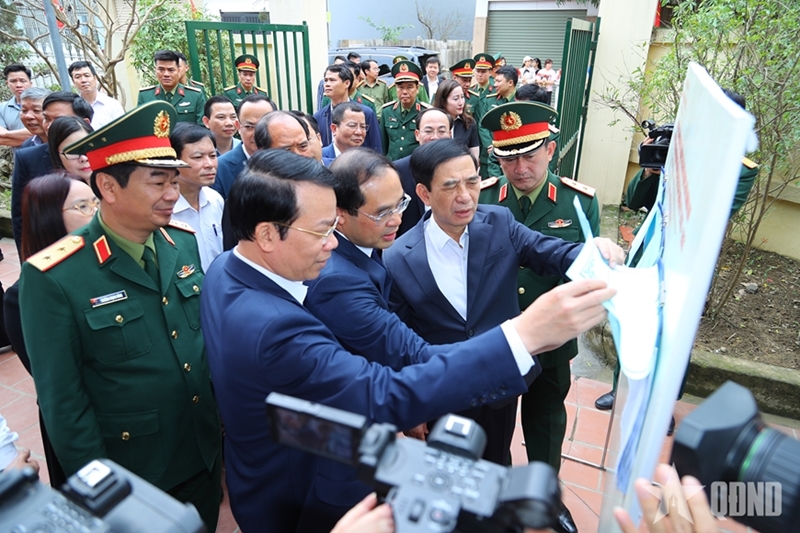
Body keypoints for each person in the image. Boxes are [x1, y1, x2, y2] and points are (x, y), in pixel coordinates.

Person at [201, 147, 616, 533]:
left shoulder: (226, 269)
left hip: (291, 445)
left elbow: (288, 399)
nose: (332, 242)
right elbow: (383, 391)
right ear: (267, 235)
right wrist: (525, 334)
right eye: (322, 230)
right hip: (302, 496)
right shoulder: (278, 325)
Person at [384, 138, 621, 533]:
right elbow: (401, 337)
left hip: (499, 384)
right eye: (450, 186)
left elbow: (551, 251)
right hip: (442, 389)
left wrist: (594, 254)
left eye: (472, 182)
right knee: (450, 475)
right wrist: (413, 408)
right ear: (423, 193)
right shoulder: (397, 256)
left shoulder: (499, 224)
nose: (465, 196)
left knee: (496, 463)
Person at [19, 101, 222, 531]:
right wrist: (101, 490)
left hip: (201, 453)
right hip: (132, 472)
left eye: (174, 181)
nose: (172, 194)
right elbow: (63, 402)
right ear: (108, 187)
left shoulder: (181, 243)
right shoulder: (55, 275)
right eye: (157, 183)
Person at [478, 103, 599, 501]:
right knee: (494, 422)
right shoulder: (483, 198)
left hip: (552, 339)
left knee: (546, 420)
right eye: (509, 159)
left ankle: (544, 497)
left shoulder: (578, 202)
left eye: (529, 156)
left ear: (550, 150)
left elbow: (583, 273)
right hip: (497, 336)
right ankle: (495, 493)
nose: (520, 169)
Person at [8, 172, 98, 487]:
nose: (96, 213)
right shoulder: (24, 294)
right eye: (83, 206)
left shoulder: (107, 266)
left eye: (97, 202)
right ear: (48, 218)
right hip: (87, 425)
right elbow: (57, 384)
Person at [11, 91, 93, 252]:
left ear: (84, 122)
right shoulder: (28, 156)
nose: (49, 125)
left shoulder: (108, 157)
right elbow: (22, 218)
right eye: (46, 118)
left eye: (59, 119)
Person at [170, 123, 224, 271]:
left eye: (213, 156)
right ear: (175, 161)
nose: (209, 164)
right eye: (198, 157)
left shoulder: (215, 200)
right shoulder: (164, 209)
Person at [392, 107, 452, 237]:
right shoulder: (398, 170)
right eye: (428, 131)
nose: (435, 137)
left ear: (450, 134)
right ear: (417, 134)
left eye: (442, 131)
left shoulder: (459, 169)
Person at [211, 93, 275, 199]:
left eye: (264, 126)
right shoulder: (220, 169)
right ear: (238, 127)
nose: (257, 134)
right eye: (249, 126)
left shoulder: (288, 160)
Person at [314, 64, 382, 152]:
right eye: (326, 80)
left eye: (332, 80)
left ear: (347, 83)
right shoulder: (319, 116)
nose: (327, 84)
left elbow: (376, 148)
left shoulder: (365, 113)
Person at [379, 60, 431, 161]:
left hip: (415, 165)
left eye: (410, 87)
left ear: (417, 88)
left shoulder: (425, 112)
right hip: (392, 165)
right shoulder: (387, 111)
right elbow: (383, 145)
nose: (404, 92)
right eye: (400, 87)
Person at [138, 50, 206, 124]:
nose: (166, 74)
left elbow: (202, 127)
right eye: (161, 69)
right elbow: (141, 125)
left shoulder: (195, 96)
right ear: (155, 70)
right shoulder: (145, 96)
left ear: (178, 71)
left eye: (171, 70)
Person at [476, 65, 518, 179]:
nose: (495, 84)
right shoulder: (490, 100)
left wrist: (500, 147)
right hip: (488, 155)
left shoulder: (520, 101)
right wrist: (490, 145)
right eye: (495, 81)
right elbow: (482, 125)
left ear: (510, 83)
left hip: (512, 156)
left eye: (498, 81)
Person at [68, 61, 125, 129]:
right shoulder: (71, 109)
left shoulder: (113, 105)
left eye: (87, 75)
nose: (83, 80)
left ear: (95, 78)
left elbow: (123, 130)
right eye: (78, 77)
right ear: (73, 82)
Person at [432, 79, 479, 161]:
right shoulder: (433, 122)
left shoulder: (469, 123)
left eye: (462, 97)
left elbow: (474, 154)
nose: (461, 103)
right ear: (443, 102)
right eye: (456, 98)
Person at [47, 116, 94, 183]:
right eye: (73, 151)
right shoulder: (53, 189)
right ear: (57, 155)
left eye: (88, 147)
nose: (84, 158)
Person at [0, 63, 33, 148]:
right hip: (18, 156)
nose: (18, 85)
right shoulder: (2, 108)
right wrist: (33, 135)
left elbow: (45, 132)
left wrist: (6, 134)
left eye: (23, 81)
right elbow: (1, 139)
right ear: (7, 83)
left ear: (30, 83)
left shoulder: (44, 104)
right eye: (13, 81)